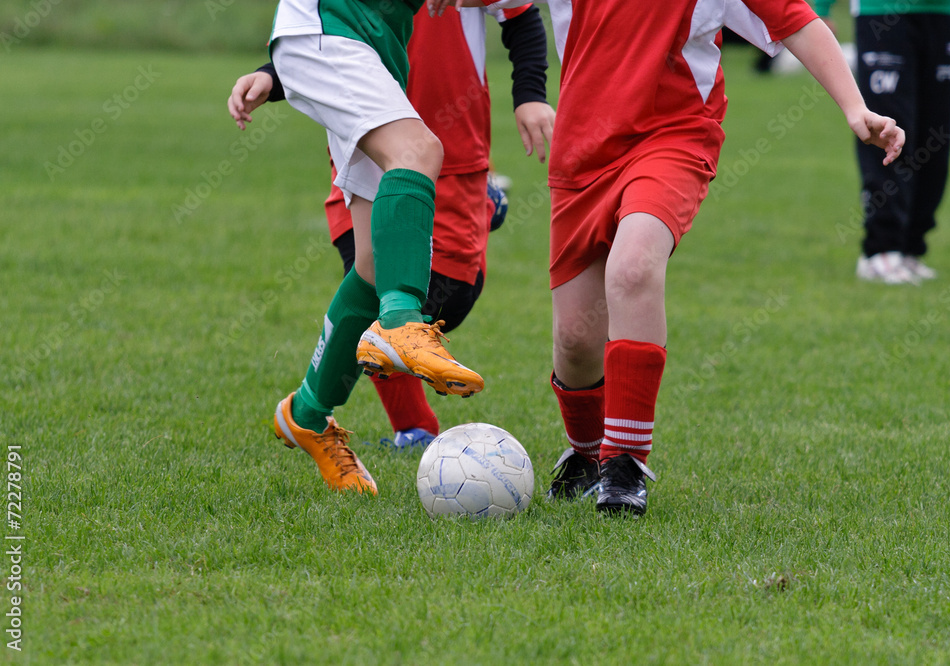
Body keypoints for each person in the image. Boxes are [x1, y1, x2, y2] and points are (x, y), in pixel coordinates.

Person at [478, 0, 904, 515]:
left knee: (634, 267)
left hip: (672, 139)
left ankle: (625, 464)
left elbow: (795, 19)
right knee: (575, 340)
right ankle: (587, 455)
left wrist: (855, 107)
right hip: (582, 153)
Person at [230, 4, 554, 455]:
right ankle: (401, 326)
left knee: (372, 267)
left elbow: (519, 15)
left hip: (373, 50)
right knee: (419, 151)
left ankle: (305, 414)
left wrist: (529, 91)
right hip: (334, 27)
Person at [814, 0, 950, 285]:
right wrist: (823, 8)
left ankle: (910, 247)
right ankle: (881, 249)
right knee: (889, 132)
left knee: (936, 139)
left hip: (944, 12)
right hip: (882, 11)